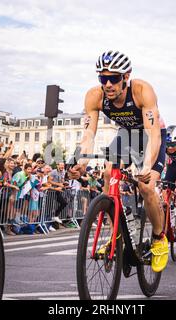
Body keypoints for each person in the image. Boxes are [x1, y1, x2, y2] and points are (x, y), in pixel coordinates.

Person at [68, 50, 168, 273]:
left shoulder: (142, 91)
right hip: (128, 135)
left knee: (146, 185)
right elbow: (88, 135)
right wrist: (80, 162)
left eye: (114, 78)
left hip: (153, 135)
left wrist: (146, 167)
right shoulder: (94, 96)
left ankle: (159, 238)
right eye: (103, 79)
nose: (108, 84)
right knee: (107, 172)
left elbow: (153, 134)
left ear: (126, 76)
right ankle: (116, 234)